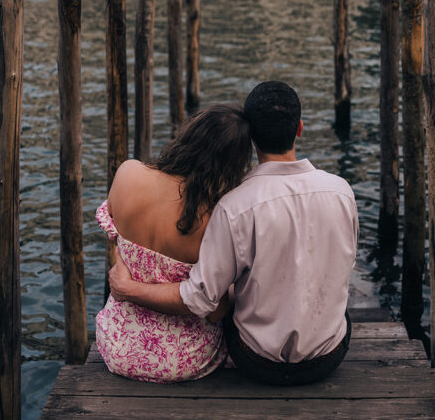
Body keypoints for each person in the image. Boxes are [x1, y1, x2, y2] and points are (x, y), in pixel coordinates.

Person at [110, 81, 359, 386]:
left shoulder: (234, 205)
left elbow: (202, 301)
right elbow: (345, 265)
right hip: (327, 360)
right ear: (300, 129)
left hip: (257, 362)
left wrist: (127, 288)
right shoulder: (342, 192)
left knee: (229, 288)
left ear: (252, 139)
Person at [95, 103, 252, 383]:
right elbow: (213, 311)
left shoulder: (128, 173)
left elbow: (116, 241)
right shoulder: (215, 218)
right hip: (187, 358)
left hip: (117, 346)